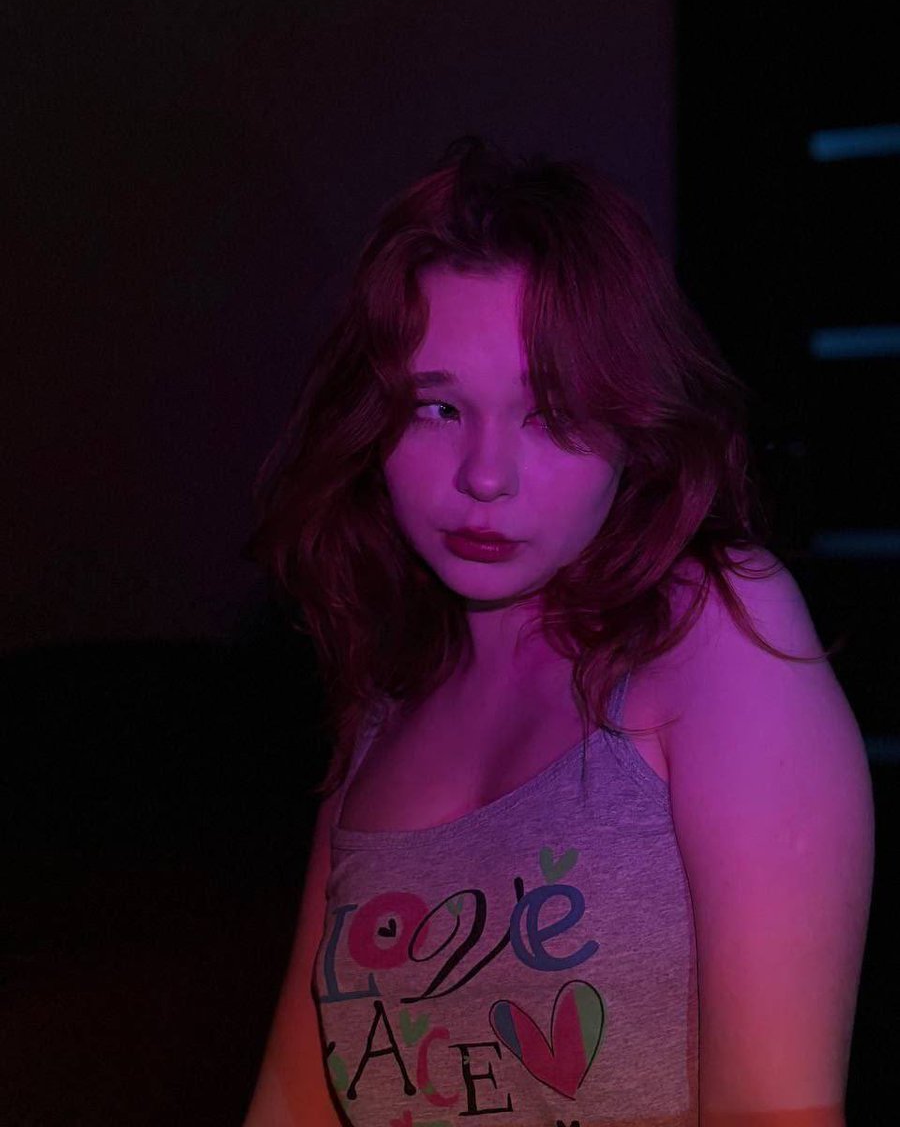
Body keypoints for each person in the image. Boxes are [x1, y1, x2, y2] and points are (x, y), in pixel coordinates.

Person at [240, 137, 874, 1127]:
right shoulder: (385, 692)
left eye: (550, 414)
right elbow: (296, 1095)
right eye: (437, 407)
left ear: (634, 426)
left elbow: (773, 1110)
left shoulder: (714, 633)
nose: (484, 476)